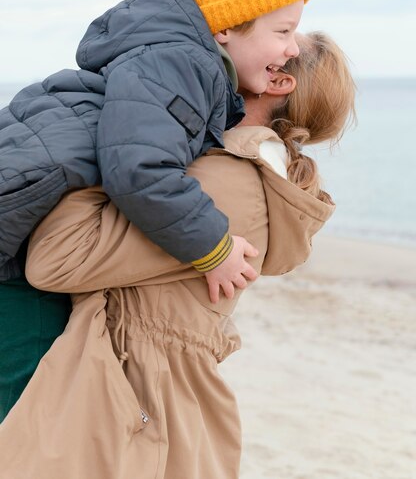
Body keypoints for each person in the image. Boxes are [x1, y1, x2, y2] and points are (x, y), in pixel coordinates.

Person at [0, 32, 356, 478]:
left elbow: (58, 258)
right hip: (129, 396)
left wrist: (114, 151)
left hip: (129, 408)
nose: (231, 35)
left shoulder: (230, 183)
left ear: (277, 81)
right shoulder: (218, 163)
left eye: (283, 38)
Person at [0, 0, 311, 419]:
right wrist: (215, 248)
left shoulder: (179, 62)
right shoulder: (183, 63)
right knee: (21, 398)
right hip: (14, 243)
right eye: (283, 31)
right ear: (226, 27)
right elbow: (141, 170)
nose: (293, 47)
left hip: (22, 211)